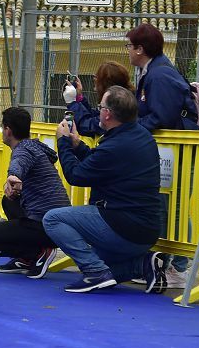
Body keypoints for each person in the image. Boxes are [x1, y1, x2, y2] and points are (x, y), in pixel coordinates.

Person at [43, 86, 167, 294]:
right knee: (103, 262)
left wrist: (63, 143)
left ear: (108, 113)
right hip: (145, 230)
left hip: (122, 226)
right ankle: (144, 265)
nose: (98, 110)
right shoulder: (140, 136)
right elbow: (101, 163)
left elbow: (76, 176)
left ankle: (95, 272)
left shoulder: (115, 145)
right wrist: (78, 146)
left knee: (53, 219)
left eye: (100, 107)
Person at [125, 22, 199, 287]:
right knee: (167, 205)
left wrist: (129, 129)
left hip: (177, 151)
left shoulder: (159, 75)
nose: (128, 51)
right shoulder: (154, 71)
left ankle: (178, 268)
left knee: (174, 207)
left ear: (140, 49)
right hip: (168, 152)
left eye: (129, 46)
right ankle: (167, 264)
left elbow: (161, 116)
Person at [0, 106, 71, 278]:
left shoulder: (23, 150)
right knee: (8, 201)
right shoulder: (36, 147)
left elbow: (19, 162)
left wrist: (13, 176)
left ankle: (36, 251)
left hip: (44, 225)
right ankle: (27, 256)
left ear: (8, 130)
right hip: (60, 220)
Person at [63, 60, 134, 137]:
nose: (95, 79)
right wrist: (79, 97)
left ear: (105, 83)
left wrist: (72, 102)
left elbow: (87, 127)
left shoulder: (116, 107)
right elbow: (95, 116)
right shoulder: (124, 101)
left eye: (97, 76)